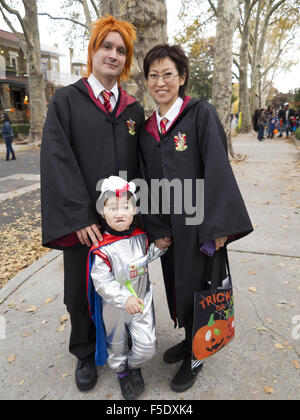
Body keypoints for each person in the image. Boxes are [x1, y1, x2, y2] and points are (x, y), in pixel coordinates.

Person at [139, 44, 253, 393]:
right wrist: (156, 229)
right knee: (178, 285)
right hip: (170, 231)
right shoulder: (147, 130)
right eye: (154, 75)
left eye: (168, 74)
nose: (161, 82)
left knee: (202, 290)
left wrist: (219, 229)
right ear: (147, 81)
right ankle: (189, 338)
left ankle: (198, 353)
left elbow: (218, 168)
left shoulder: (199, 114)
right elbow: (145, 181)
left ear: (182, 77)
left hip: (201, 227)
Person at [40, 15, 145, 392]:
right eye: (107, 46)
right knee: (80, 291)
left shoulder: (132, 109)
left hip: (124, 221)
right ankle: (84, 351)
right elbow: (57, 159)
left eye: (121, 50)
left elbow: (143, 164)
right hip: (85, 223)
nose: (113, 55)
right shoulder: (67, 101)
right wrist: (79, 215)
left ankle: (128, 349)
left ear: (126, 60)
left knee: (127, 287)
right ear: (93, 50)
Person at [87, 176, 166, 399]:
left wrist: (160, 247)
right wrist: (124, 299)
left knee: (147, 347)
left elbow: (144, 258)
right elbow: (102, 282)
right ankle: (122, 372)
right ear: (102, 212)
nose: (119, 213)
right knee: (117, 345)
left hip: (142, 301)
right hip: (115, 309)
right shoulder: (102, 249)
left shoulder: (140, 238)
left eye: (125, 207)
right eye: (112, 208)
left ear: (134, 210)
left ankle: (132, 365)